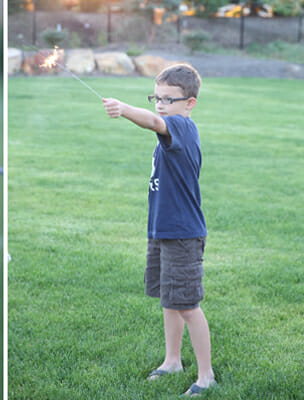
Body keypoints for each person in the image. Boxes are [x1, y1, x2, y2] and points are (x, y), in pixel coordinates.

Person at [102, 64, 215, 397]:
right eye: (156, 97)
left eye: (169, 98)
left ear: (189, 102)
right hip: (163, 229)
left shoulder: (181, 127)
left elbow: (154, 122)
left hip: (182, 234)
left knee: (188, 305)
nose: (161, 104)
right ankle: (172, 361)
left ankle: (206, 375)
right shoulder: (173, 127)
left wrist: (123, 110)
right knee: (170, 300)